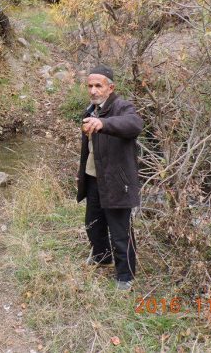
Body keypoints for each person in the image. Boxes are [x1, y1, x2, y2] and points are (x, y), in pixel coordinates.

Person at [76, 65, 143, 291]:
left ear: (110, 87)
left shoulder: (122, 107)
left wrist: (104, 124)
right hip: (94, 177)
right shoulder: (90, 110)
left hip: (117, 181)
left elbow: (134, 125)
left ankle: (125, 276)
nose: (93, 90)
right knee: (93, 224)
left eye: (98, 86)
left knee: (120, 231)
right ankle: (102, 257)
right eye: (90, 86)